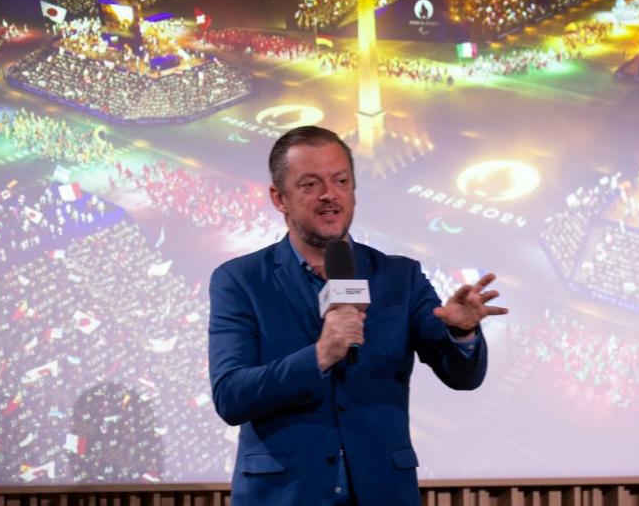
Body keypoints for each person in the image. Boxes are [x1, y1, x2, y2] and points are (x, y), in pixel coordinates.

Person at [208, 126, 507, 506]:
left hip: (382, 491)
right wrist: (319, 355)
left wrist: (463, 333)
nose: (329, 194)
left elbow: (462, 377)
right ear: (279, 198)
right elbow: (231, 395)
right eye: (310, 184)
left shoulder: (401, 276)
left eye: (341, 181)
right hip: (284, 494)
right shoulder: (241, 280)